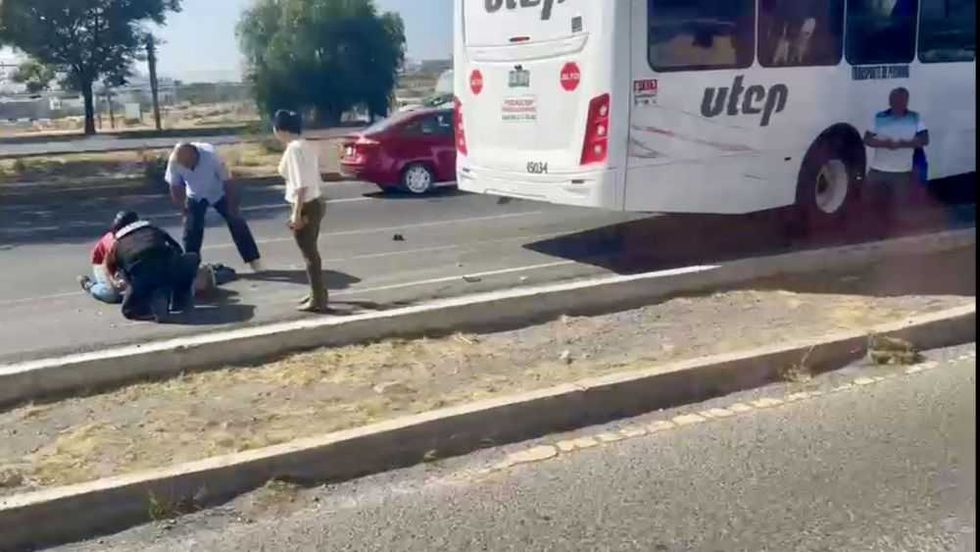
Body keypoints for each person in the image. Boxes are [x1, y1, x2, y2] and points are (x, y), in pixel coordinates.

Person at [165, 142, 263, 271]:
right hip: (195, 195)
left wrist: (232, 206)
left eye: (188, 163)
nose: (187, 167)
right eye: (184, 164)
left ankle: (253, 260)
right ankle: (192, 267)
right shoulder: (175, 161)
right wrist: (183, 210)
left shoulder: (211, 156)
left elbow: (228, 181)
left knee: (236, 222)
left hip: (218, 192)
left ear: (195, 156)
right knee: (191, 229)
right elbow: (175, 186)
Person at [272, 109, 329, 313]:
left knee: (309, 254)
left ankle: (318, 299)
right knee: (311, 251)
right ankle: (318, 292)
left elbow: (300, 185)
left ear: (280, 129)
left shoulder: (294, 150)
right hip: (315, 202)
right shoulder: (305, 145)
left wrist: (296, 214)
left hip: (305, 205)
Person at [104, 211, 201, 322]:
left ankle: (146, 304)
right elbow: (177, 249)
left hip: (140, 278)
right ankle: (180, 299)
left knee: (130, 310)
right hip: (166, 270)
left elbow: (112, 266)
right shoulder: (153, 229)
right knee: (191, 258)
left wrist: (122, 283)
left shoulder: (117, 244)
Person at [862, 87, 929, 237]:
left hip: (902, 172)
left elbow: (924, 139)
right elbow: (867, 139)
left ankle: (892, 236)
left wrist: (902, 144)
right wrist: (884, 144)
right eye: (894, 100)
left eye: (900, 100)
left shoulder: (915, 118)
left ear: (906, 102)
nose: (896, 103)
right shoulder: (879, 117)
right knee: (870, 203)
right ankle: (872, 233)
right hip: (878, 169)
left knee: (898, 207)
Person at [77, 211, 131, 304]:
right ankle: (90, 285)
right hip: (102, 263)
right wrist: (114, 280)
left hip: (123, 263)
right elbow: (107, 264)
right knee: (111, 295)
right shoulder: (114, 242)